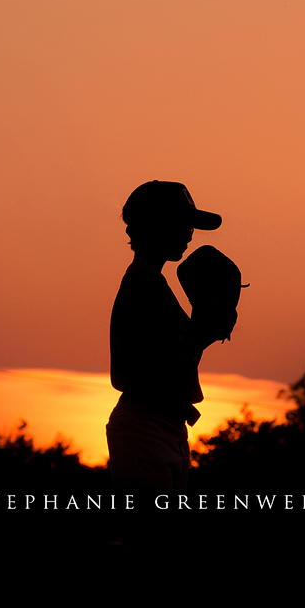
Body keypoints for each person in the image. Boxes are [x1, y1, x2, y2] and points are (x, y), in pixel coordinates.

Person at [105, 180, 237, 493]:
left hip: (166, 425)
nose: (189, 232)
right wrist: (205, 328)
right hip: (145, 423)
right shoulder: (143, 284)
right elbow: (152, 364)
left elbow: (174, 354)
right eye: (179, 223)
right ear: (147, 227)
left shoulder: (153, 283)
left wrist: (204, 328)